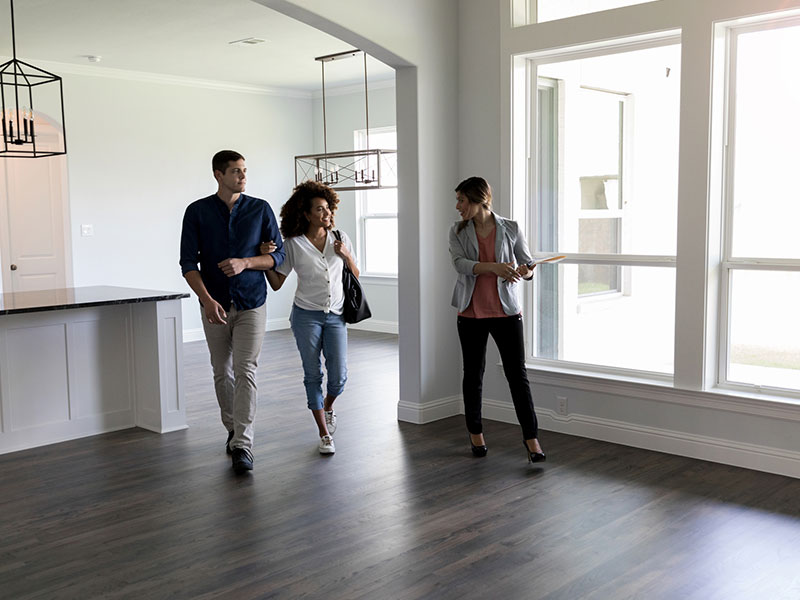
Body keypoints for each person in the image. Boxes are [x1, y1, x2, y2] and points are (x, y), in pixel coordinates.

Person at [179, 150, 285, 474]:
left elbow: (278, 257)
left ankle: (243, 444)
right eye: (236, 171)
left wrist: (246, 262)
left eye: (244, 171)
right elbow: (187, 263)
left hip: (252, 301)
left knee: (246, 370)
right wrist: (207, 300)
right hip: (214, 305)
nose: (242, 176)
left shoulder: (260, 209)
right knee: (221, 371)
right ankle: (232, 428)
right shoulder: (196, 212)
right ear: (218, 174)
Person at [448, 176, 546, 463]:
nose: (458, 206)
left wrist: (524, 271)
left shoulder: (511, 228)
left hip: (507, 312)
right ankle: (475, 433)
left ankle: (532, 439)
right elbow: (459, 264)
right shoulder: (457, 231)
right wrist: (496, 268)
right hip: (470, 312)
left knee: (518, 376)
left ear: (480, 200)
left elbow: (527, 265)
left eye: (462, 200)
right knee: (473, 375)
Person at [261, 180, 356, 455]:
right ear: (306, 214)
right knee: (313, 374)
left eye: (327, 208)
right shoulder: (293, 244)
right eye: (320, 210)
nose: (326, 214)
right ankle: (324, 434)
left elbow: (355, 275)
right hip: (306, 316)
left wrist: (346, 254)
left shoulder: (340, 237)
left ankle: (327, 407)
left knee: (339, 377)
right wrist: (263, 260)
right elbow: (278, 282)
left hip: (336, 315)